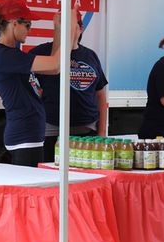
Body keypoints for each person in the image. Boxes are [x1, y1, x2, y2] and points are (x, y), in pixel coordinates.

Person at [0, 0, 77, 167]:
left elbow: (54, 68)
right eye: (27, 25)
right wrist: (71, 28)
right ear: (14, 23)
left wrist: (58, 29)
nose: (29, 30)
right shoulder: (6, 56)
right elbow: (56, 63)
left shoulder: (12, 55)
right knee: (30, 191)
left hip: (28, 135)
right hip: (24, 137)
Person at [30, 10, 108, 162]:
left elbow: (101, 95)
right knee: (51, 175)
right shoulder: (43, 52)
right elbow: (25, 80)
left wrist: (102, 131)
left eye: (72, 26)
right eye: (64, 26)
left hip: (87, 131)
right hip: (52, 130)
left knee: (84, 176)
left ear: (81, 29)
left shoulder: (91, 56)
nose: (69, 31)